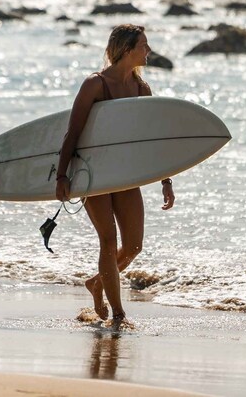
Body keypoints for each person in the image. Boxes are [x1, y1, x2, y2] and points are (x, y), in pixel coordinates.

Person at [55, 24, 175, 326]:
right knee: (108, 241)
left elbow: (153, 141)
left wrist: (166, 180)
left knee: (134, 245)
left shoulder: (142, 89)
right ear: (125, 50)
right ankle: (119, 313)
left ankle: (97, 283)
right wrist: (62, 176)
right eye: (143, 46)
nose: (148, 51)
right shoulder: (95, 85)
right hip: (93, 173)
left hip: (124, 176)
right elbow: (73, 132)